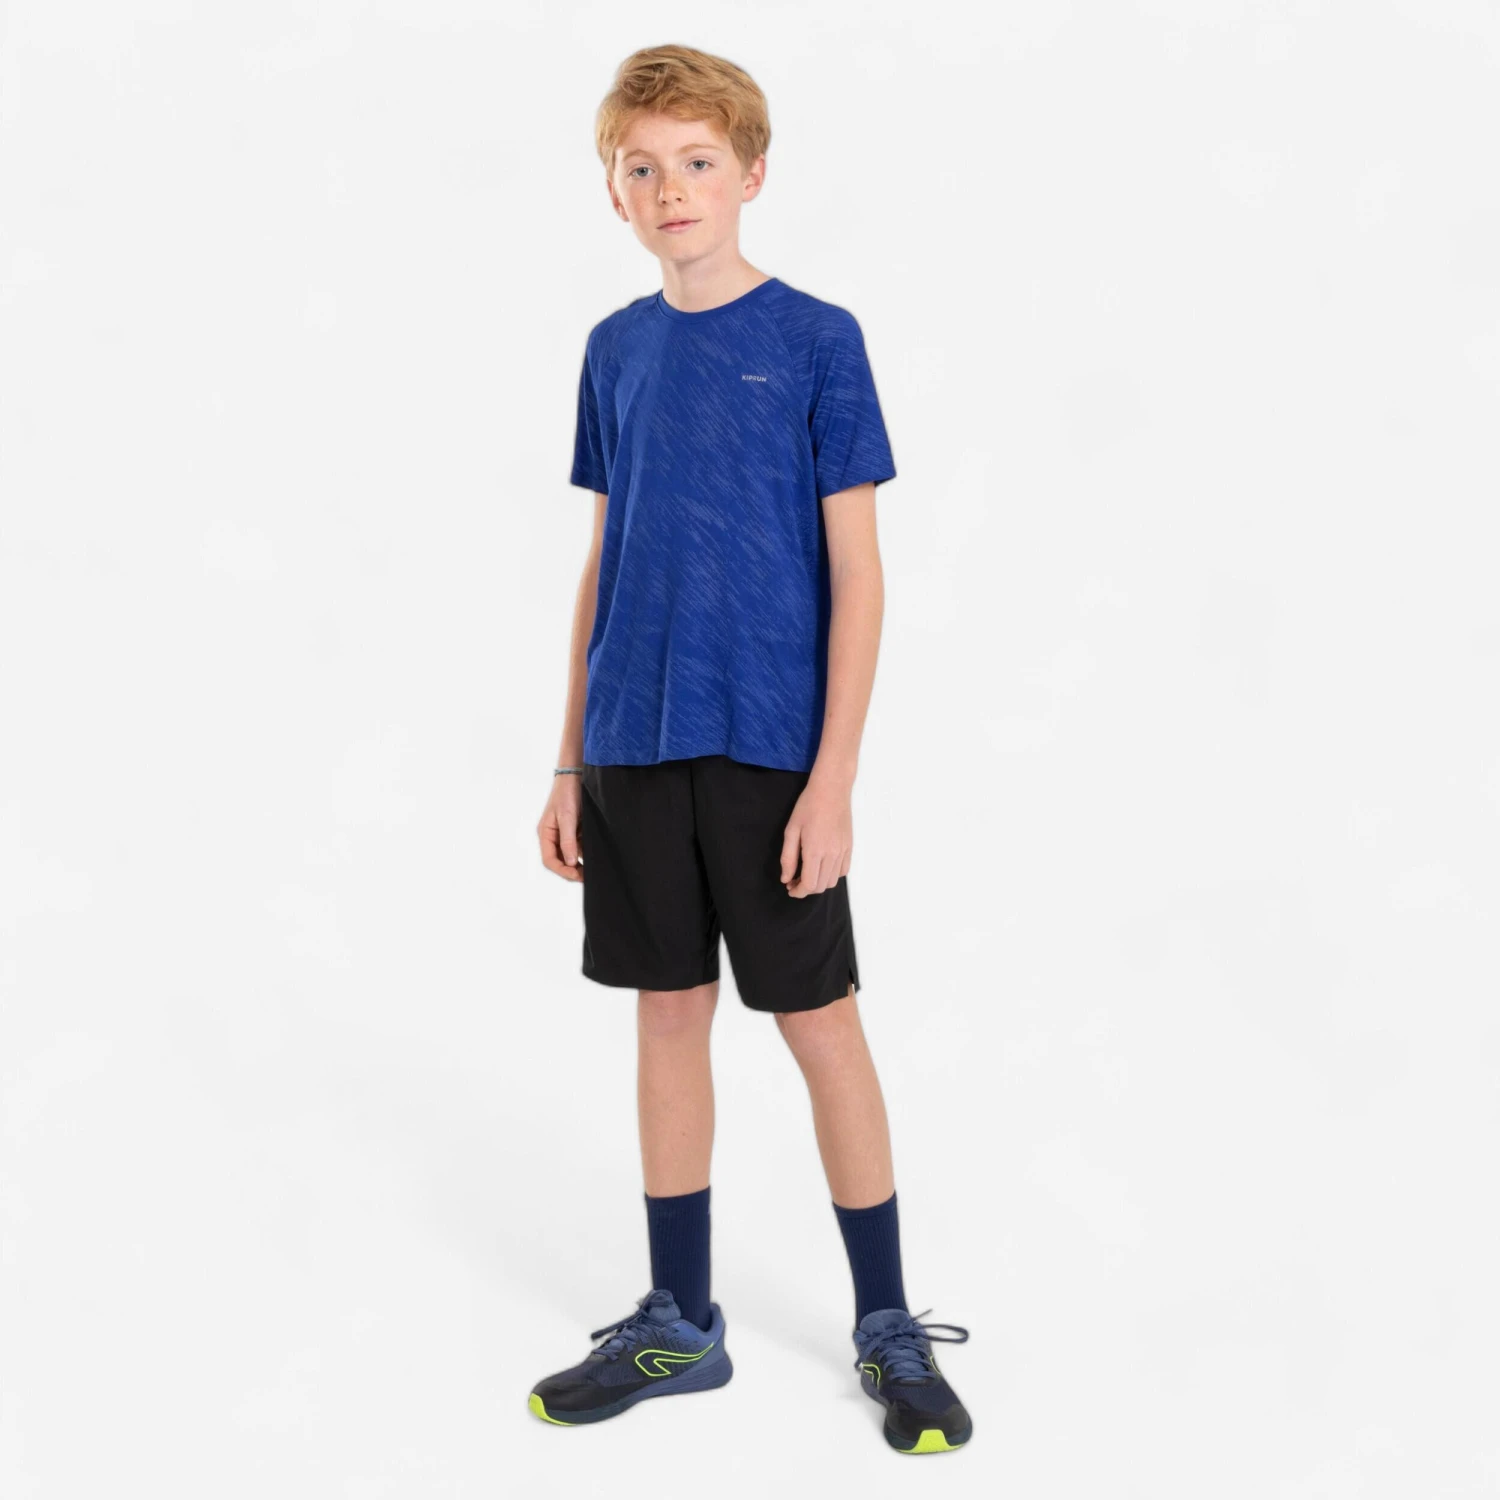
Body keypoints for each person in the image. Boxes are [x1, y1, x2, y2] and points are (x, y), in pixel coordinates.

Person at [531, 43, 972, 1455]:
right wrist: (568, 762)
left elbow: (862, 574)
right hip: (633, 741)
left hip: (772, 747)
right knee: (667, 1014)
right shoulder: (614, 350)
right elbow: (603, 562)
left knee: (818, 1020)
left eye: (698, 162)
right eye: (643, 167)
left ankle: (887, 1322)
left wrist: (834, 778)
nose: (672, 188)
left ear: (752, 174)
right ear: (614, 192)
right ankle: (681, 1319)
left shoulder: (819, 339)